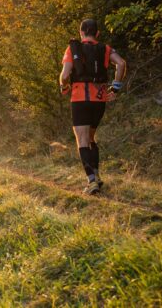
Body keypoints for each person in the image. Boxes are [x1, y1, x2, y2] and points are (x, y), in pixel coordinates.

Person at [59, 19, 126, 195]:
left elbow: (65, 75)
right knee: (90, 138)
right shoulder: (105, 49)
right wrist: (115, 88)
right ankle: (96, 175)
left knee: (81, 139)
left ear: (81, 33)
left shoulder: (73, 49)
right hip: (99, 99)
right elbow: (121, 64)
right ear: (97, 34)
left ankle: (91, 182)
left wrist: (64, 86)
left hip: (80, 98)